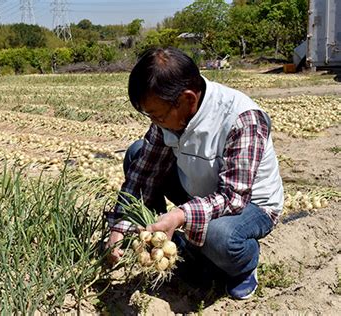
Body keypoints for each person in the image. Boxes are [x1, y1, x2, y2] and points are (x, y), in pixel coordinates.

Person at [105, 47, 284, 300]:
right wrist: (120, 227)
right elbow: (145, 171)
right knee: (137, 153)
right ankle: (167, 243)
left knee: (220, 237)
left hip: (250, 204)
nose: (154, 122)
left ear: (188, 99)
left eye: (157, 115)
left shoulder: (242, 119)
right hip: (200, 191)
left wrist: (180, 215)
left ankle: (244, 266)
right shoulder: (170, 113)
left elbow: (234, 197)